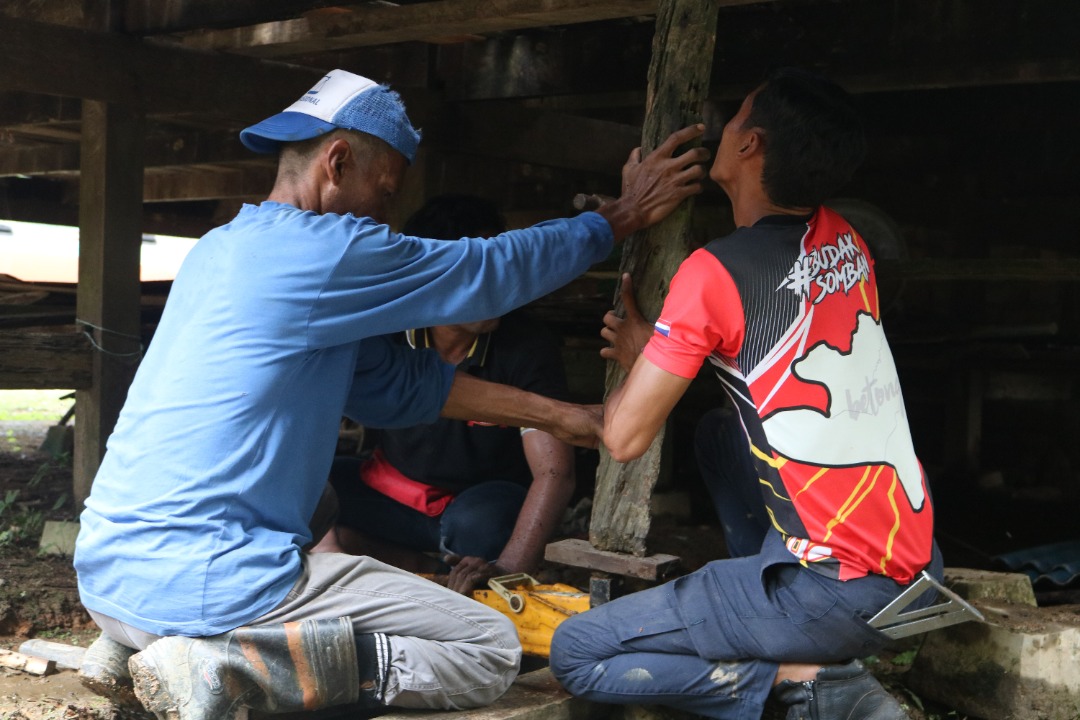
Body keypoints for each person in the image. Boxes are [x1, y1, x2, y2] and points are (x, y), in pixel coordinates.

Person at [71, 68, 709, 720]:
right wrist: (620, 217)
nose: (386, 218)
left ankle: (132, 646)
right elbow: (487, 270)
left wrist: (563, 417)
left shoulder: (222, 250)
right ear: (337, 162)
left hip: (111, 579)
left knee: (319, 499)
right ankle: (229, 664)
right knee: (488, 646)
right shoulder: (323, 251)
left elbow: (399, 387)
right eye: (384, 195)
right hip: (204, 585)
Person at [549, 67, 941, 720]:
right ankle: (772, 615)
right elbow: (767, 371)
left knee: (578, 651)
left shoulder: (714, 273)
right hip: (918, 572)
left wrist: (643, 363)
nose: (724, 126)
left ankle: (800, 676)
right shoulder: (847, 241)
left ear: (750, 144)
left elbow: (622, 437)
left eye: (733, 118)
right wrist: (663, 349)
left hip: (837, 597)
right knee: (719, 435)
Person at [318, 194, 578, 596]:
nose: (495, 286)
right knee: (317, 490)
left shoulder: (525, 346)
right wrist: (327, 545)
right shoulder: (384, 334)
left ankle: (427, 565)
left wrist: (509, 571)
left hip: (475, 507)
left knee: (481, 523)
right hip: (392, 498)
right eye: (474, 273)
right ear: (429, 274)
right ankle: (424, 567)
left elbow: (555, 472)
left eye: (499, 270)